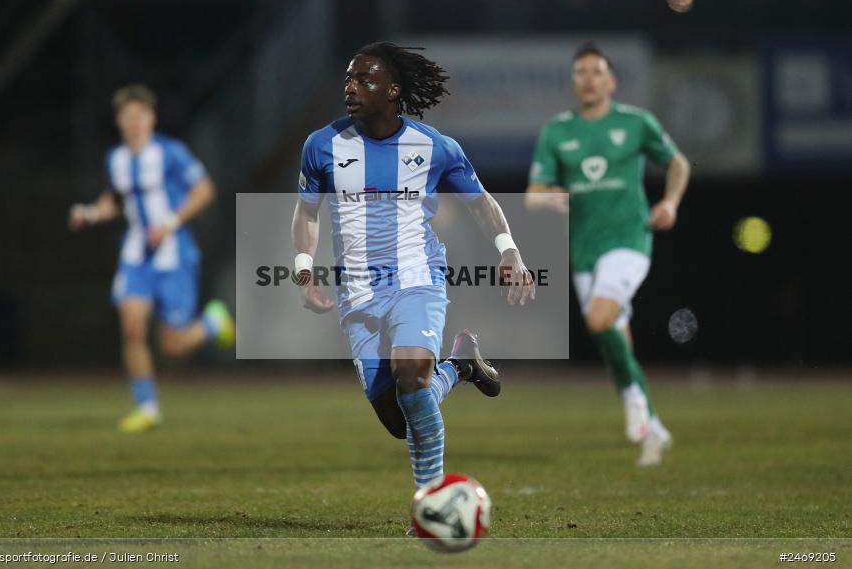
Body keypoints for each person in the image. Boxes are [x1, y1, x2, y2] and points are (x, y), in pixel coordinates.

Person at [291, 42, 535, 525]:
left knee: (410, 375)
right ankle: (460, 366)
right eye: (347, 79)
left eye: (364, 80)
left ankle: (431, 508)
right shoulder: (322, 145)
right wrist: (303, 268)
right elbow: (307, 212)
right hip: (357, 293)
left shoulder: (435, 147)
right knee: (400, 421)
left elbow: (481, 202)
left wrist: (509, 249)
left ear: (394, 90)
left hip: (417, 280)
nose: (350, 88)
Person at [525, 43, 691, 466]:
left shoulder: (635, 123)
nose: (588, 79)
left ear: (611, 81)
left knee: (598, 319)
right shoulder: (557, 131)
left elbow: (677, 164)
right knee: (613, 340)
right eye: (580, 71)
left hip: (630, 240)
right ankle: (654, 430)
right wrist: (554, 198)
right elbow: (534, 195)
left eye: (597, 71)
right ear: (573, 80)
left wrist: (670, 202)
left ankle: (635, 403)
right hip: (583, 250)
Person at [69, 84, 235, 433]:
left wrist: (169, 223)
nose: (133, 122)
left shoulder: (171, 152)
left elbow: (205, 190)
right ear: (119, 121)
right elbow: (115, 199)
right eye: (126, 117)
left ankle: (213, 323)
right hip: (136, 255)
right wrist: (90, 214)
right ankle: (147, 407)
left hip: (174, 255)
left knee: (172, 345)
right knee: (131, 325)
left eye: (139, 116)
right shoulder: (115, 159)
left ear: (151, 118)